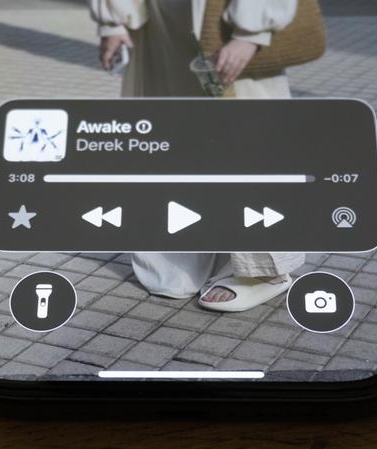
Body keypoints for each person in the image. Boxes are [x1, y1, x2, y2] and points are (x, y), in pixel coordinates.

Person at [90, 0, 305, 312]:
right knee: (166, 134)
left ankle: (262, 269)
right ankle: (179, 256)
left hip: (224, 16)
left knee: (243, 131)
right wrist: (113, 19)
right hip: (159, 21)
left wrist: (252, 32)